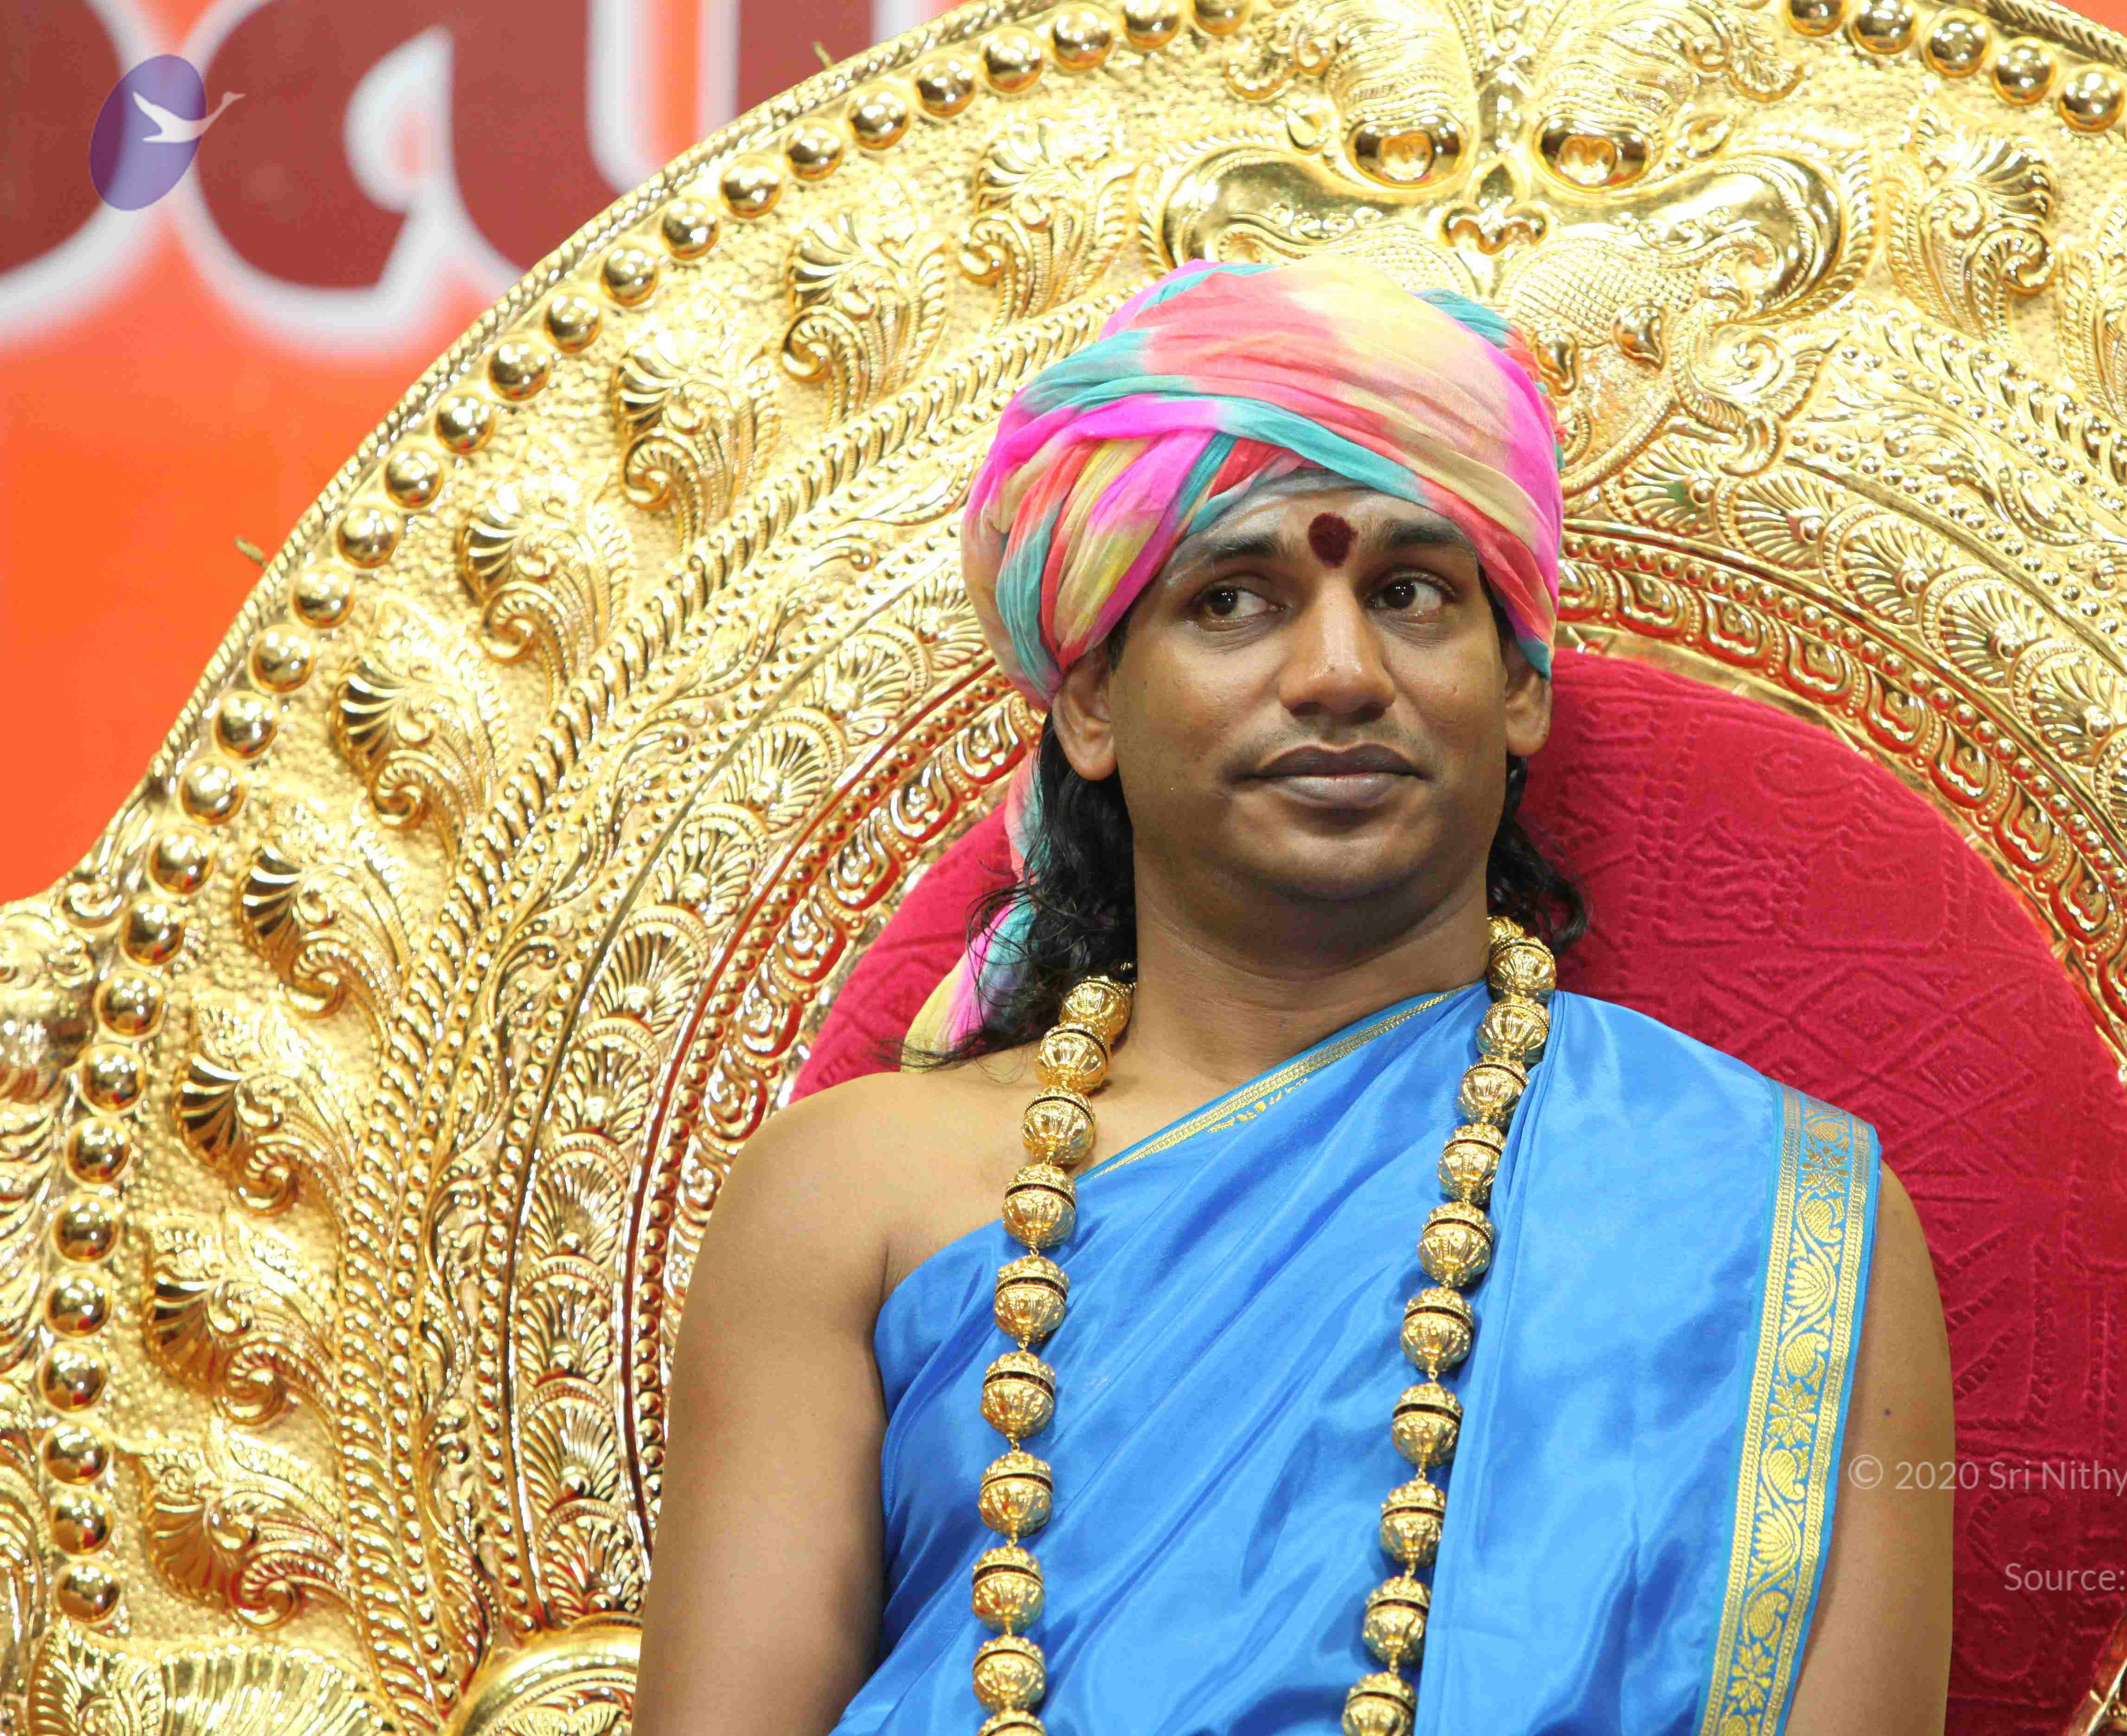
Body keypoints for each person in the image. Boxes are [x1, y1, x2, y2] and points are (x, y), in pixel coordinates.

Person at [635, 256, 1954, 1736]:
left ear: (1519, 684)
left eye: (1409, 594)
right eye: (1234, 600)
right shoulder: (853, 1197)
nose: (1338, 673)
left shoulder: (1771, 1212)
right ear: (1090, 703)